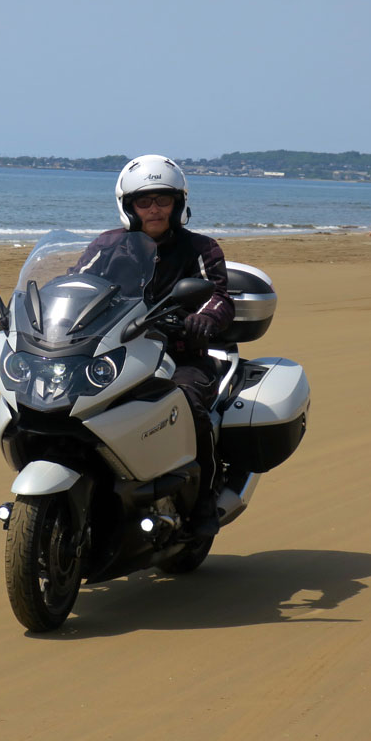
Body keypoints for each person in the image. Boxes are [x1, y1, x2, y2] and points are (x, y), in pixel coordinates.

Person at [73, 155, 235, 537]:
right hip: (118, 351)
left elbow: (220, 297)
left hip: (179, 355)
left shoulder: (200, 248)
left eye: (163, 199)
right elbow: (75, 284)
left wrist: (204, 320)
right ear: (129, 206)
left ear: (178, 203)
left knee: (188, 405)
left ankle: (204, 502)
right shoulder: (108, 246)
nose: (154, 209)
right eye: (144, 201)